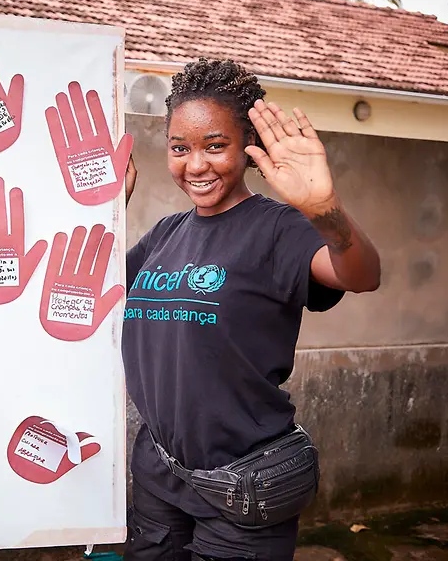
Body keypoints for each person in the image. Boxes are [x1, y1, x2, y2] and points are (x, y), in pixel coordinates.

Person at [121, 58, 381, 561]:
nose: (196, 165)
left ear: (248, 150)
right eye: (180, 149)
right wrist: (106, 211)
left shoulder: (279, 228)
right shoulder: (164, 235)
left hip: (244, 486)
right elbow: (95, 293)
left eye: (215, 146)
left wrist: (324, 207)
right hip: (159, 473)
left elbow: (361, 275)